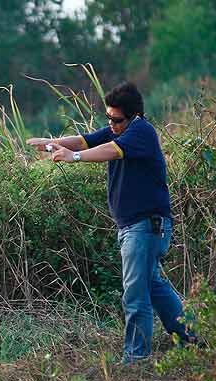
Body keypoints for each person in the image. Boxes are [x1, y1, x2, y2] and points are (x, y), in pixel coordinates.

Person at [26, 82, 194, 363]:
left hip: (145, 226)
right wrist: (51, 143)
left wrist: (74, 158)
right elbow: (84, 140)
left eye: (116, 120)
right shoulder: (123, 128)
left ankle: (136, 359)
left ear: (133, 116)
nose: (111, 124)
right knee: (153, 286)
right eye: (109, 119)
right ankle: (193, 341)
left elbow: (110, 151)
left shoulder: (140, 132)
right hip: (136, 227)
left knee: (135, 295)